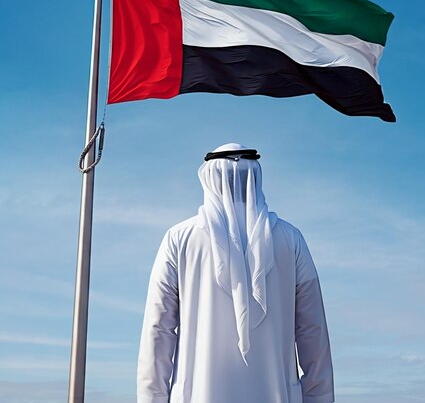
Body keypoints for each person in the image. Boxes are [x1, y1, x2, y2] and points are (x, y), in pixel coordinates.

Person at [137, 143, 334, 403]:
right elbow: (313, 332)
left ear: (209, 178)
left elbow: (158, 332)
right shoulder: (291, 239)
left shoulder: (179, 239)